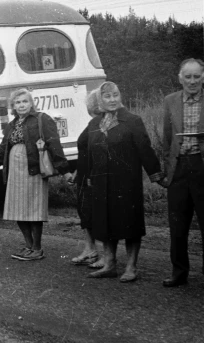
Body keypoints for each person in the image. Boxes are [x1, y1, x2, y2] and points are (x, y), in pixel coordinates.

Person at [83, 81, 163, 283]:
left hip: (126, 182)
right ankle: (109, 265)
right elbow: (89, 153)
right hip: (101, 183)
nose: (112, 100)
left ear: (120, 96)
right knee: (105, 222)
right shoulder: (94, 124)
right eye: (107, 96)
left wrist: (156, 175)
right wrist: (90, 177)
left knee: (130, 223)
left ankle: (131, 267)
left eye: (115, 95)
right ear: (100, 100)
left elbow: (145, 149)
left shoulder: (132, 121)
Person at [0, 88, 71, 260]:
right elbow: (3, 147)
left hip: (33, 169)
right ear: (13, 106)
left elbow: (54, 144)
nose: (21, 105)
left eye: (25, 101)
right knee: (17, 208)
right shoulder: (12, 124)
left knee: (33, 209)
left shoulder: (42, 119)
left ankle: (37, 248)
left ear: (31, 103)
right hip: (15, 172)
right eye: (18, 102)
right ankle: (28, 245)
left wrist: (65, 170)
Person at [160, 58, 204, 288]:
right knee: (177, 225)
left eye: (197, 76)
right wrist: (168, 170)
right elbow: (166, 140)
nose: (192, 81)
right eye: (188, 76)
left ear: (203, 77)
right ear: (180, 78)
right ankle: (179, 272)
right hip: (179, 169)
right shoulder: (170, 101)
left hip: (202, 166)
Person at [68, 90, 103, 267]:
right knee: (85, 211)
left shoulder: (101, 123)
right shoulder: (94, 122)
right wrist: (77, 171)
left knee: (94, 212)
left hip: (92, 175)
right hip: (83, 174)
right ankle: (90, 248)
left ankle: (102, 253)